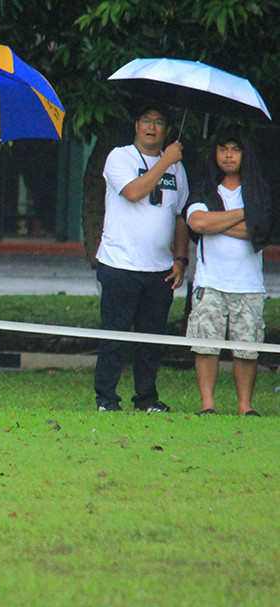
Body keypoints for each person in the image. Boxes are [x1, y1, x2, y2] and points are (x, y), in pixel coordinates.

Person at [94, 103, 189, 412]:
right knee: (115, 335)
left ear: (167, 130)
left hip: (159, 268)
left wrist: (181, 260)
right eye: (146, 120)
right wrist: (165, 162)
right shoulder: (120, 157)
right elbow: (134, 192)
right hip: (120, 264)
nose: (152, 126)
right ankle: (106, 398)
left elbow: (180, 216)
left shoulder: (177, 169)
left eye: (159, 122)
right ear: (136, 125)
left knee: (151, 340)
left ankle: (146, 399)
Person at [184, 125, 272, 416]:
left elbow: (259, 229)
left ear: (245, 154)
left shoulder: (258, 189)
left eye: (235, 150)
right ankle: (207, 405)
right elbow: (197, 223)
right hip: (209, 283)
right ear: (215, 154)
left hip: (248, 285)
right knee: (205, 346)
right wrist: (245, 214)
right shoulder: (204, 188)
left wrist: (217, 222)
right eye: (223, 149)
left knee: (247, 349)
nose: (229, 155)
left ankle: (245, 407)